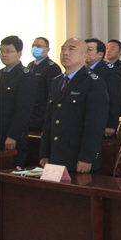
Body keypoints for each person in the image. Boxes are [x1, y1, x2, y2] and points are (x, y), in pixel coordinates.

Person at [39, 38, 108, 173]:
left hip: (77, 156)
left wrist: (86, 157)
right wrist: (45, 153)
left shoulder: (93, 83)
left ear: (85, 56)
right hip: (56, 153)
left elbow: (95, 125)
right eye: (63, 49)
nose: (65, 53)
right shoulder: (57, 82)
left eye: (71, 49)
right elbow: (49, 121)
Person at [0, 36, 37, 167]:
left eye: (9, 51)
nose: (4, 54)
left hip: (11, 137)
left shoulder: (26, 76)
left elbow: (24, 110)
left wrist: (13, 135)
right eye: (2, 51)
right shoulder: (0, 74)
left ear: (19, 53)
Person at [85, 38, 121, 137]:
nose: (86, 53)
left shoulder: (110, 71)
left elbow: (114, 100)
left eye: (90, 50)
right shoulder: (82, 70)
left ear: (100, 54)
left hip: (101, 123)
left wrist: (110, 125)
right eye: (84, 50)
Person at [26, 36, 62, 131]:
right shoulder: (30, 65)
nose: (35, 48)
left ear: (47, 49)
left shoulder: (52, 67)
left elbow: (53, 94)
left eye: (39, 46)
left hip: (41, 115)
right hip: (30, 113)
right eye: (33, 46)